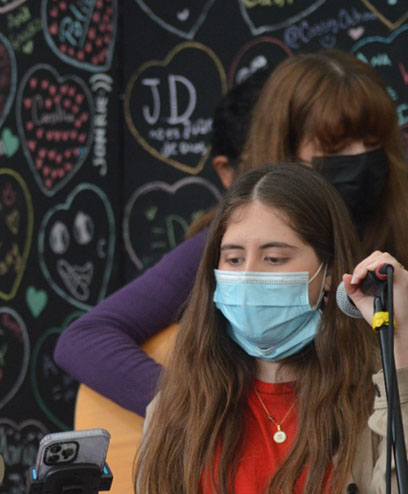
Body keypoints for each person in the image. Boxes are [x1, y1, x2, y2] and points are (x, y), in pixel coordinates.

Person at [107, 162, 400, 494]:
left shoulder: (375, 391)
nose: (248, 276)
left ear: (327, 273)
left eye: (274, 258)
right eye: (234, 257)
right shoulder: (179, 405)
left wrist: (401, 350)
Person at [54, 49, 408, 417]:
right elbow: (84, 338)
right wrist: (196, 413)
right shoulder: (230, 243)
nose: (361, 160)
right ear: (286, 152)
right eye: (335, 149)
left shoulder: (396, 238)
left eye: (373, 144)